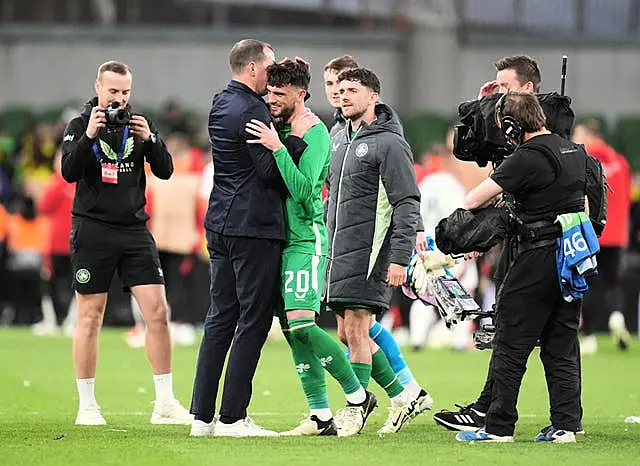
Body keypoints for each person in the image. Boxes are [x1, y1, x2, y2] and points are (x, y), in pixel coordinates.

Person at [244, 58, 376, 437]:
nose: (271, 99)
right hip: (279, 240)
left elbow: (304, 190)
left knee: (303, 321)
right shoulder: (280, 125)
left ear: (300, 95)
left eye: (279, 94)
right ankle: (320, 415)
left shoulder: (315, 132)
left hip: (306, 237)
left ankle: (357, 396)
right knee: (291, 329)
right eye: (268, 91)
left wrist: (276, 148)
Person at [61, 60, 192, 426]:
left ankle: (164, 402)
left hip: (134, 229)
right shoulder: (78, 126)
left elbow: (166, 170)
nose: (119, 99)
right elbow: (69, 172)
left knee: (158, 312)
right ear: (98, 87)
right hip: (93, 229)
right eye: (113, 91)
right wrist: (88, 135)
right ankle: (87, 405)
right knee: (91, 316)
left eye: (125, 92)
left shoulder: (138, 126)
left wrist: (151, 139)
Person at [189, 39, 308, 438]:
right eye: (270, 68)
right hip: (252, 226)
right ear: (253, 68)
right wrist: (292, 141)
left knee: (220, 317)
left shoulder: (221, 101)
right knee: (253, 319)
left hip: (220, 220)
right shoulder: (254, 109)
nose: (273, 77)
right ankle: (233, 418)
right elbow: (269, 173)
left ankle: (202, 418)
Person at [456, 92, 587, 443]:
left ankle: (498, 427)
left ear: (513, 126)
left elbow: (472, 200)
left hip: (535, 255)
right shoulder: (576, 151)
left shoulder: (525, 157)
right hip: (571, 255)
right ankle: (566, 424)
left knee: (511, 341)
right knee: (561, 342)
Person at [433, 55, 548, 432]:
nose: (500, 93)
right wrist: (480, 107)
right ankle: (561, 418)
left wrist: (463, 227)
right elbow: (465, 149)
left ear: (528, 88)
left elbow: (487, 188)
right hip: (515, 235)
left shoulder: (545, 129)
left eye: (505, 86)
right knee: (523, 331)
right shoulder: (508, 125)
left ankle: (495, 415)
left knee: (515, 333)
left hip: (534, 241)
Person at [325, 68, 432, 436]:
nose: (343, 95)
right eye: (340, 90)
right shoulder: (337, 137)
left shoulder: (390, 143)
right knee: (347, 333)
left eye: (352, 89)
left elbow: (406, 203)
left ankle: (356, 407)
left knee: (356, 328)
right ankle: (403, 397)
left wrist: (399, 257)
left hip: (371, 253)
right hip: (339, 251)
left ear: (374, 96)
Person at [410, 141, 478, 351]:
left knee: (425, 292)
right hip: (450, 246)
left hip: (425, 244)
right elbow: (461, 217)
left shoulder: (424, 183)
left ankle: (417, 338)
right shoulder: (451, 184)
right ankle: (458, 340)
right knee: (461, 290)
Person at [572, 120, 632, 354]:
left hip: (592, 231)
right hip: (616, 234)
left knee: (588, 284)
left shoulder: (583, 159)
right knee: (613, 283)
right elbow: (627, 198)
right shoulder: (621, 162)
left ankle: (589, 336)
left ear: (588, 134)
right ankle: (616, 316)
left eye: (578, 133)